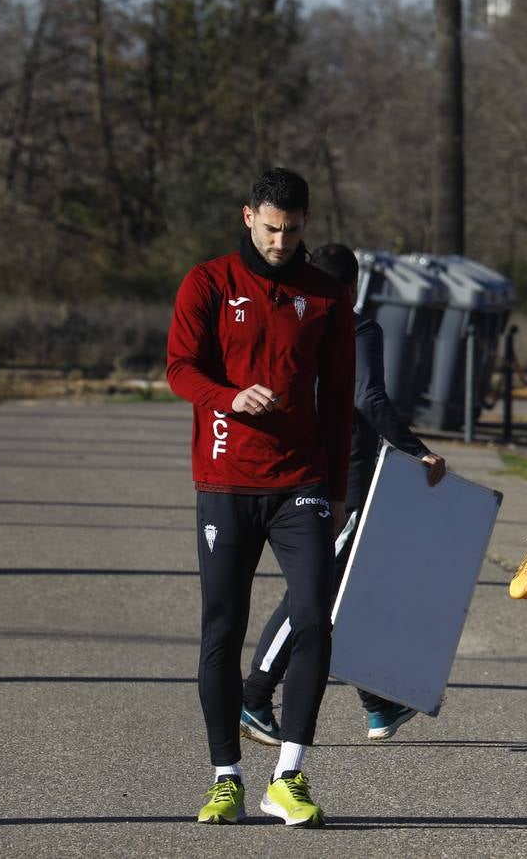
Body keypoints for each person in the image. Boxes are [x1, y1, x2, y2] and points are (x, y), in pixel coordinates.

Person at [166, 168, 354, 827]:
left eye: (294, 229)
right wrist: (230, 397)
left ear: (307, 224)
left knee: (313, 619)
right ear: (248, 217)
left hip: (300, 484)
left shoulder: (326, 297)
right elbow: (179, 368)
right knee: (222, 628)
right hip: (224, 482)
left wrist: (336, 492)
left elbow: (338, 402)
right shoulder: (208, 282)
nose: (281, 241)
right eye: (272, 227)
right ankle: (226, 777)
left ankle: (289, 775)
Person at [240, 244, 447, 747]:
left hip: (292, 471)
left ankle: (376, 704)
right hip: (340, 484)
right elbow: (367, 397)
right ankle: (254, 697)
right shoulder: (355, 325)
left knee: (345, 592)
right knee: (312, 595)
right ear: (352, 288)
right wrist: (415, 449)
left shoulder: (291, 319)